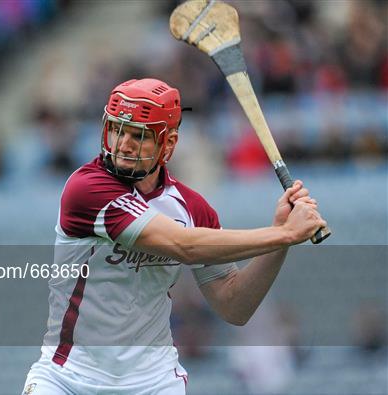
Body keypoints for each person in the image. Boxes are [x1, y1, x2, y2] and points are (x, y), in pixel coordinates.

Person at [22, 78, 325, 395]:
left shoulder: (193, 208)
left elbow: (235, 305)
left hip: (153, 384)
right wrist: (283, 232)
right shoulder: (87, 189)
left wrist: (281, 241)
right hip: (67, 379)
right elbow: (184, 245)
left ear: (168, 143)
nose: (122, 144)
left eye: (138, 135)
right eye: (116, 129)